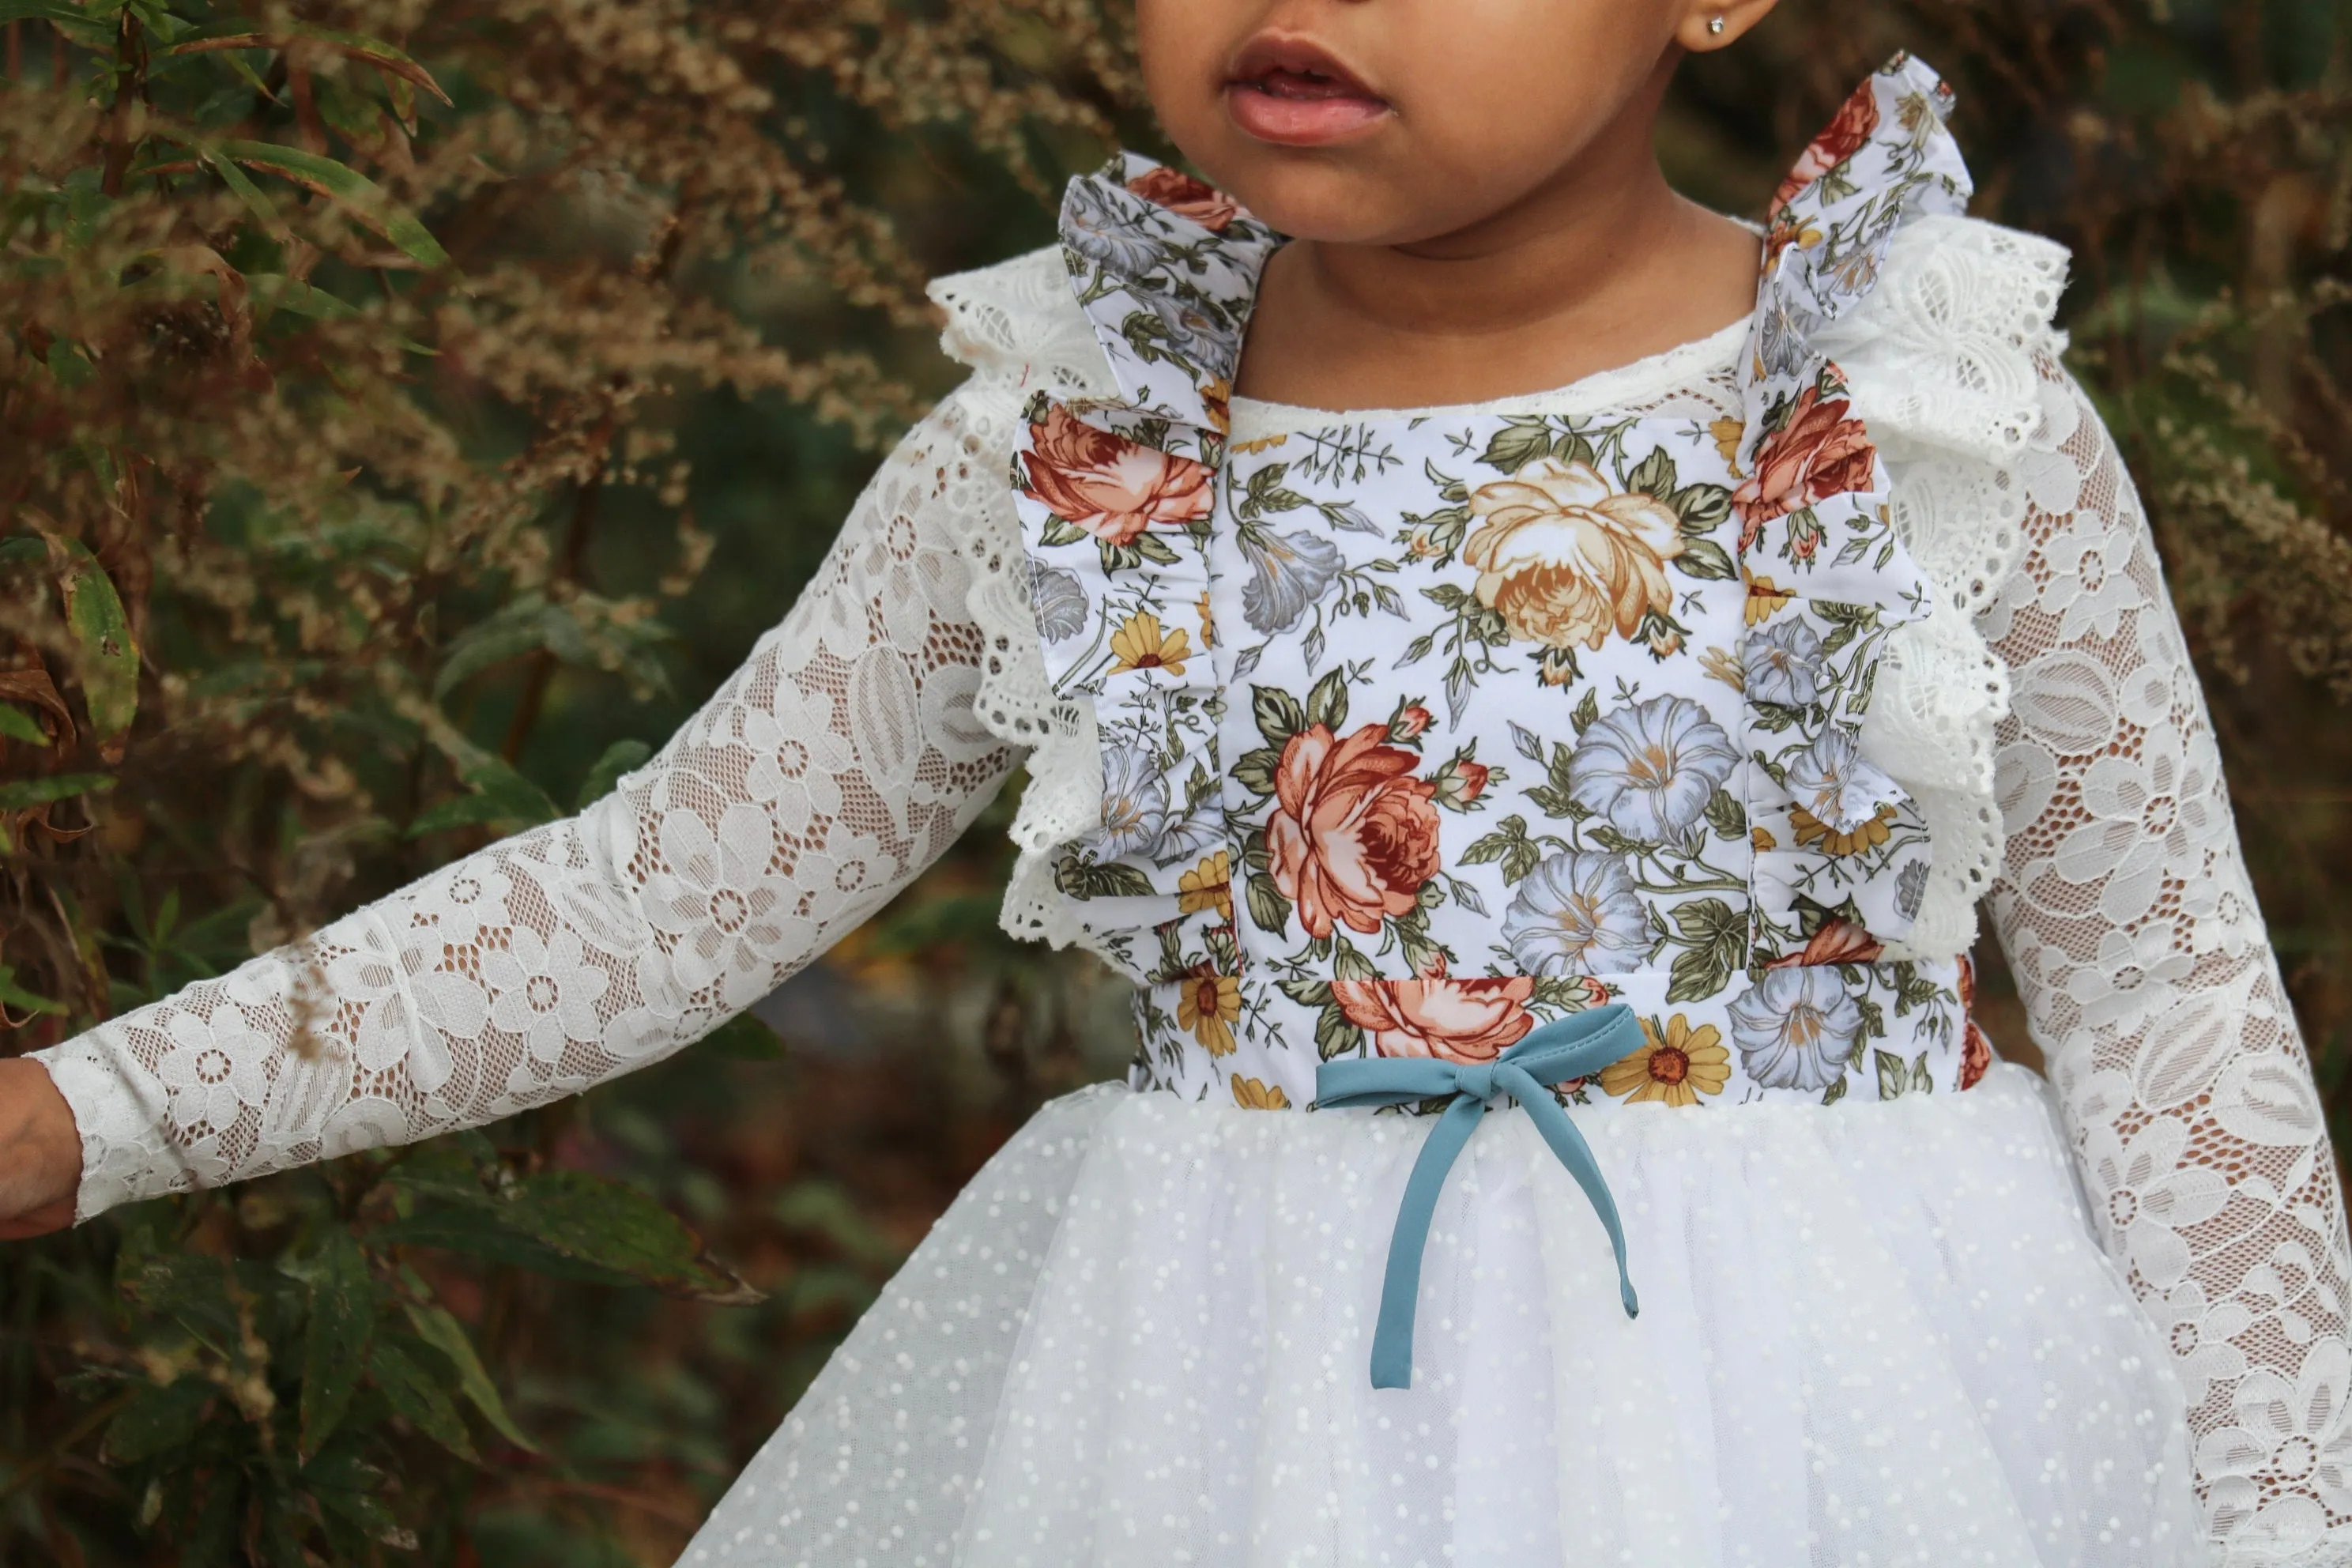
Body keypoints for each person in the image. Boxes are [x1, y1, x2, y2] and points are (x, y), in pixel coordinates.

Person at [3, 2, 2346, 1562]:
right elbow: (660, 894)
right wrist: (88, 1114)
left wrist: (2286, 1515)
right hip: (1222, 1418)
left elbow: (2169, 1019)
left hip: (1832, 1413)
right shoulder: (1067, 450)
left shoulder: (1922, 421)